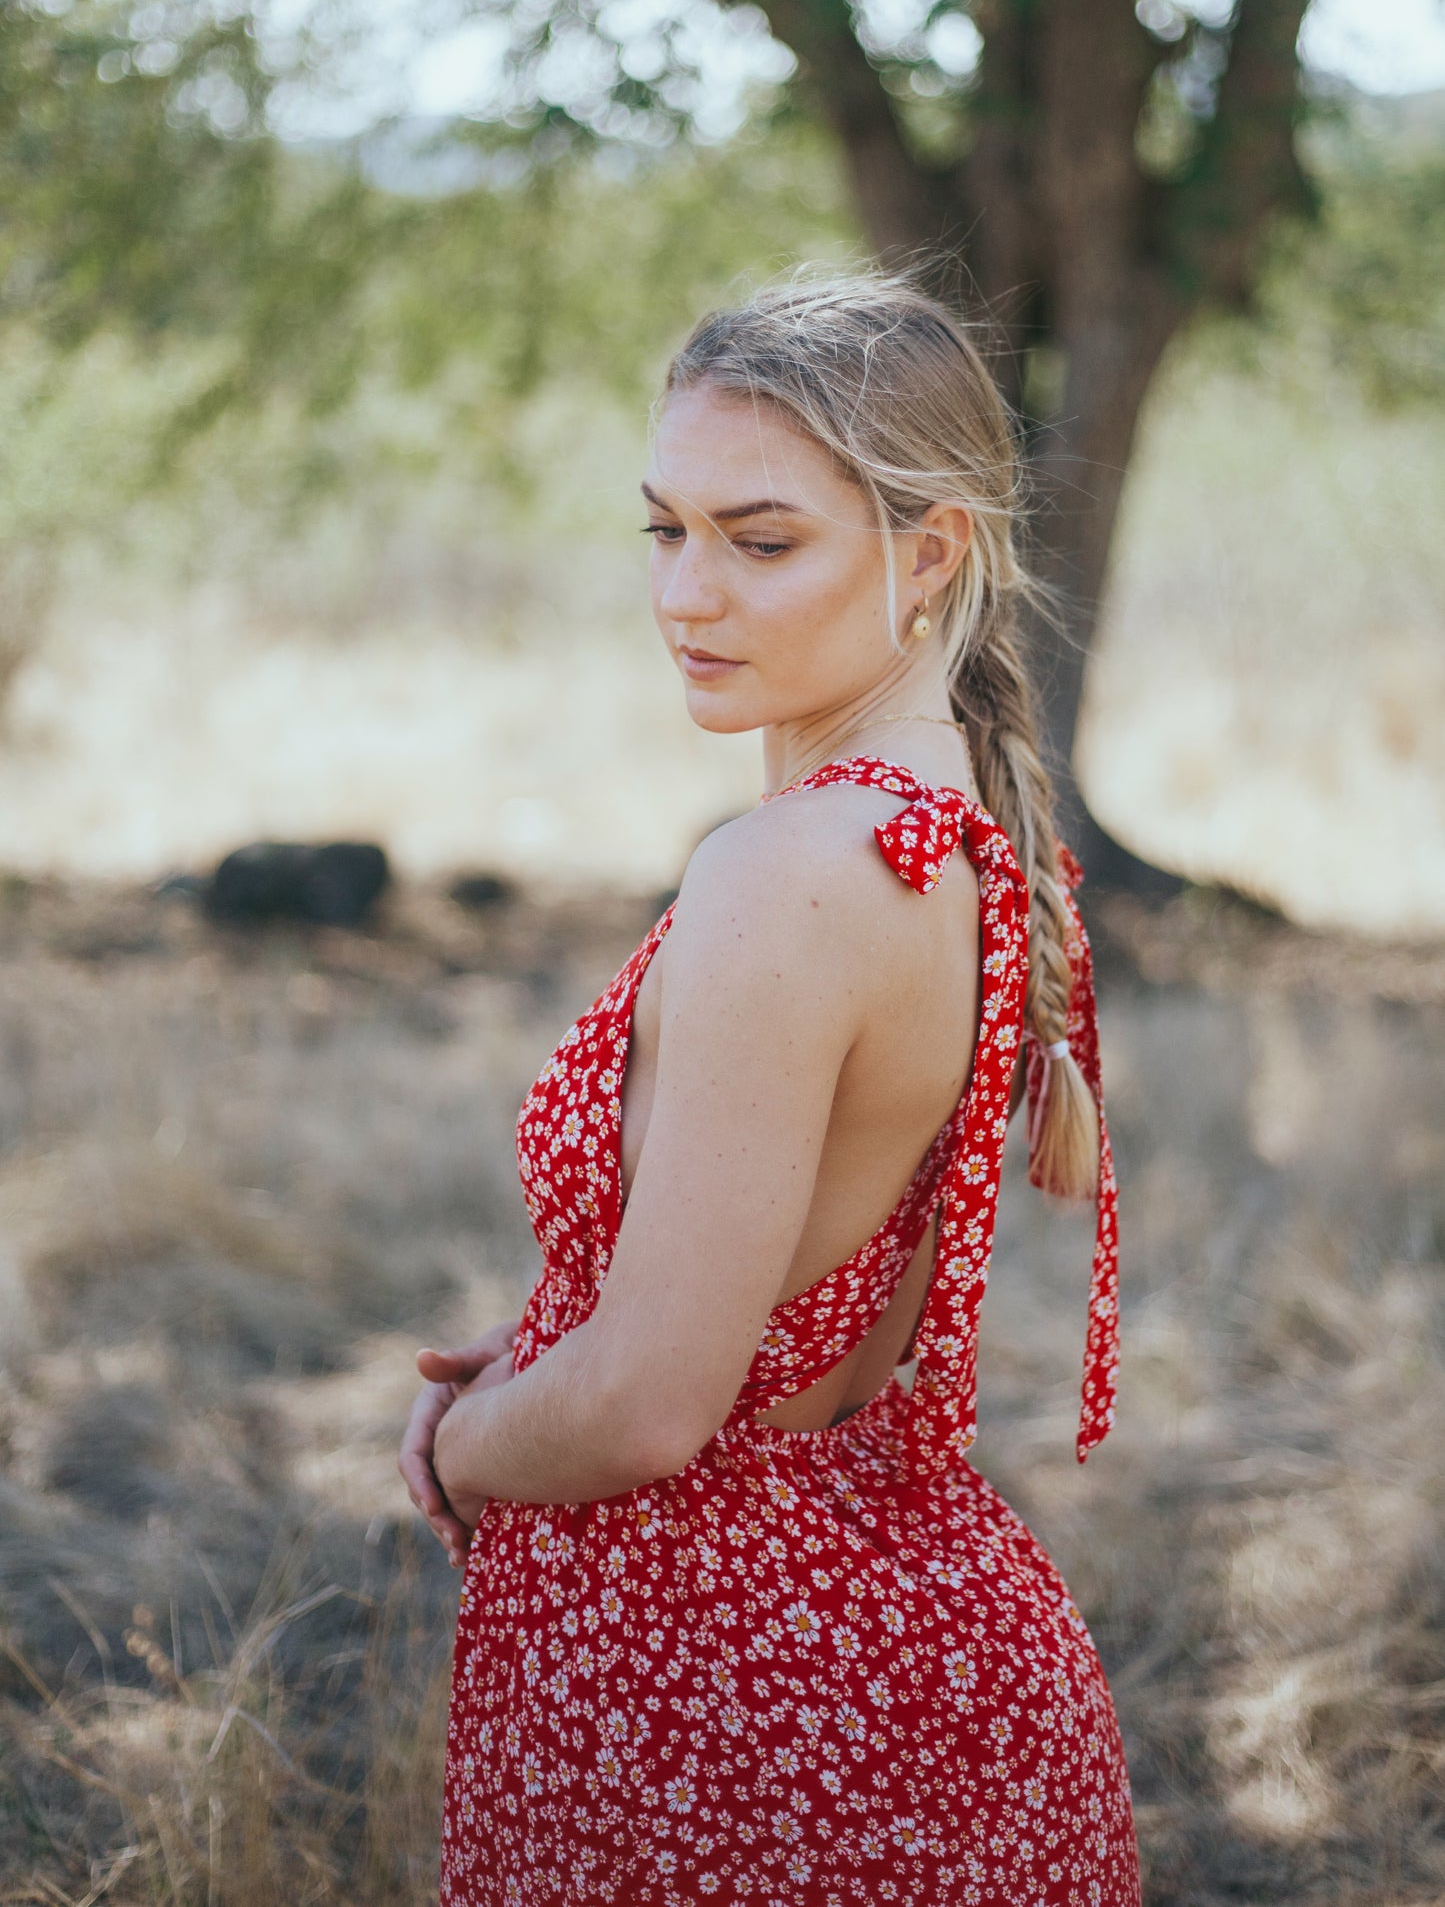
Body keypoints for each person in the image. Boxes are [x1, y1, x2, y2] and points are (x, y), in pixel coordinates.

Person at [399, 271, 1139, 1905]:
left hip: (732, 1700)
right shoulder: (944, 825)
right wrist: (545, 1345)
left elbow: (655, 1404)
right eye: (661, 530)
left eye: (761, 539)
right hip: (894, 1655)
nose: (688, 595)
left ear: (927, 550)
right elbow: (783, 1290)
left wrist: (461, 1446)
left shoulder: (788, 871)